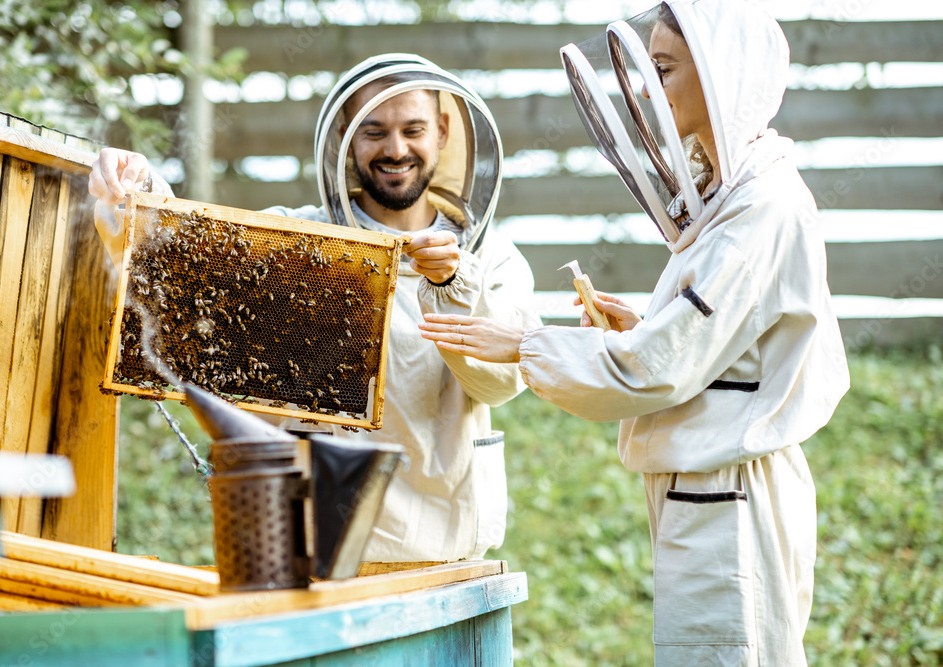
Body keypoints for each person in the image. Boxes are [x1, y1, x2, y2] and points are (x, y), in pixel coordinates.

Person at [420, 2, 850, 663]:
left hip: (731, 498)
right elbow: (721, 341)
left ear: (723, 73)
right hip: (709, 489)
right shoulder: (738, 191)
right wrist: (647, 323)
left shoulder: (763, 206)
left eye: (666, 67)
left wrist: (525, 345)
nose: (648, 84)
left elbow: (658, 368)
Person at [89, 54, 542, 563]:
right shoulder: (297, 239)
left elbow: (497, 382)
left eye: (413, 129)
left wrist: (454, 282)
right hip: (308, 543)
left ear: (441, 131)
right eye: (374, 131)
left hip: (438, 551)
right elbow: (189, 272)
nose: (396, 149)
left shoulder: (496, 258)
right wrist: (138, 187)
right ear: (346, 135)